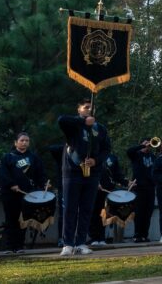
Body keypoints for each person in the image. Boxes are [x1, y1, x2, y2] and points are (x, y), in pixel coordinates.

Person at [58, 99, 111, 256]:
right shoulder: (73, 125)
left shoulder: (100, 128)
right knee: (70, 208)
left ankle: (81, 243)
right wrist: (83, 121)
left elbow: (106, 149)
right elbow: (61, 120)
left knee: (87, 209)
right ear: (79, 109)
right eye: (86, 107)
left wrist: (96, 160)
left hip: (92, 173)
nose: (89, 109)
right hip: (72, 172)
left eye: (92, 107)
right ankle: (68, 244)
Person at [0, 132, 47, 254]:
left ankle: (20, 246)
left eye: (27, 140)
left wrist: (44, 184)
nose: (24, 142)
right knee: (11, 219)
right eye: (22, 140)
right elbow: (3, 174)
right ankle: (9, 247)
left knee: (24, 220)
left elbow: (40, 173)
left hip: (27, 193)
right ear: (15, 142)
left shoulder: (33, 157)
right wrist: (11, 184)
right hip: (10, 194)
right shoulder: (8, 157)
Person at [89, 152, 128, 245]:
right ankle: (94, 238)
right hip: (94, 189)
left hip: (107, 190)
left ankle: (101, 238)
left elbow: (117, 174)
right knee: (94, 213)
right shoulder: (91, 155)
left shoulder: (112, 157)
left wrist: (126, 182)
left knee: (104, 214)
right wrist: (94, 182)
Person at [126, 138, 156, 242]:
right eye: (146, 143)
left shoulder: (153, 156)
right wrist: (142, 146)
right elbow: (129, 151)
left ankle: (144, 235)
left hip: (150, 187)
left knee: (148, 212)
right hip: (138, 187)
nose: (148, 146)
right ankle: (137, 235)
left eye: (149, 144)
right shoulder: (136, 154)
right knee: (139, 212)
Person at [48, 144, 65, 247]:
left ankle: (77, 238)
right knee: (63, 214)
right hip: (63, 186)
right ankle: (61, 238)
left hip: (78, 186)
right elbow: (51, 148)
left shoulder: (81, 150)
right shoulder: (62, 151)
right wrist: (68, 145)